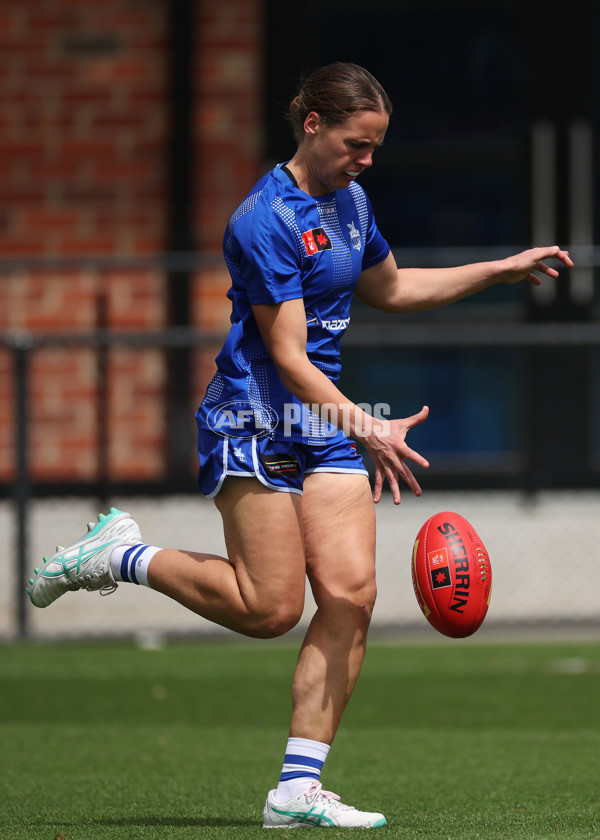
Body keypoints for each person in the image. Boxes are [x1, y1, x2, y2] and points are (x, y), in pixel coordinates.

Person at [27, 62, 573, 829]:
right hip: (253, 420)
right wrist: (370, 425)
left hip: (324, 424)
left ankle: (296, 789)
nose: (368, 160)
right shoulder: (265, 219)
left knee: (351, 595)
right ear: (313, 123)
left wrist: (500, 269)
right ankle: (122, 555)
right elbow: (286, 356)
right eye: (358, 143)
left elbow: (390, 290)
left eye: (377, 145)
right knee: (270, 609)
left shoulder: (350, 202)